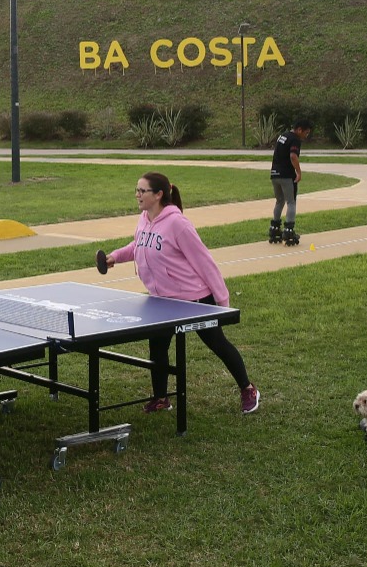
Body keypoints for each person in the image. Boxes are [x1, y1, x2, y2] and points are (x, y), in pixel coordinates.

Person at [99, 172, 260, 415]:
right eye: (137, 190)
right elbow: (139, 244)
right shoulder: (144, 218)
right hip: (161, 299)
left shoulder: (178, 224)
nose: (137, 195)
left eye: (142, 191)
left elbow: (205, 262)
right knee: (157, 346)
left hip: (194, 299)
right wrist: (116, 256)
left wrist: (222, 303)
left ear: (159, 194)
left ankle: (248, 388)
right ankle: (161, 398)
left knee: (217, 343)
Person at [269, 119, 313, 246]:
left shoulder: (283, 136)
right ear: (299, 130)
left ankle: (275, 228)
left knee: (279, 201)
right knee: (291, 202)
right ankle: (289, 230)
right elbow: (293, 156)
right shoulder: (295, 139)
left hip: (274, 174)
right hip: (286, 175)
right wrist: (298, 172)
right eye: (306, 132)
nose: (306, 135)